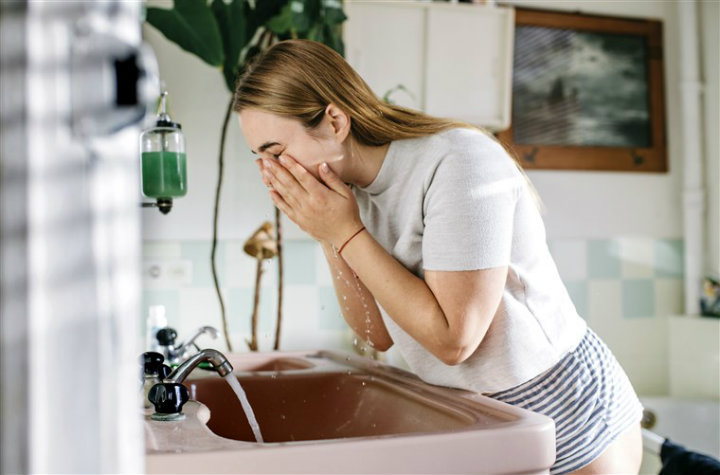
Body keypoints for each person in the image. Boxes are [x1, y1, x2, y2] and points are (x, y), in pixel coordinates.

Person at [233, 39, 643, 475]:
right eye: (259, 157)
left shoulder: (458, 160)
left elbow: (455, 340)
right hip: (481, 418)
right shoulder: (352, 196)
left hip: (565, 409)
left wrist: (344, 232)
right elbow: (376, 334)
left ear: (334, 121)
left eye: (275, 152)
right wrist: (328, 234)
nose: (270, 172)